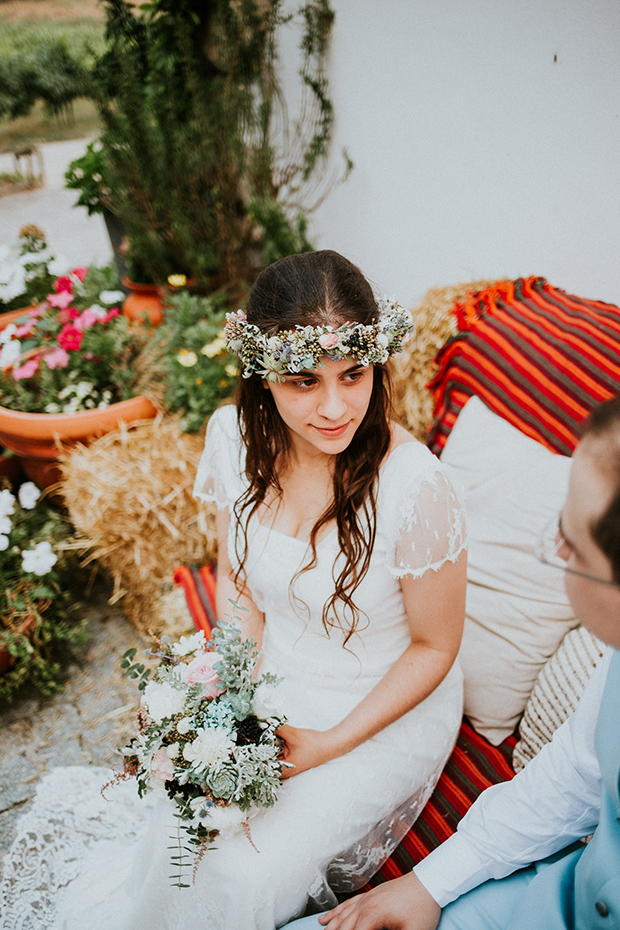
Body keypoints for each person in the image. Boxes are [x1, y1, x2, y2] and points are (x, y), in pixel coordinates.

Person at [0, 250, 467, 930]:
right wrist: (224, 691)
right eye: (304, 380)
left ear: (377, 365)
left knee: (241, 867)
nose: (335, 407)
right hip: (279, 670)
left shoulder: (417, 489)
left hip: (377, 709)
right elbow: (240, 582)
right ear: (262, 374)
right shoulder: (233, 438)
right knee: (179, 813)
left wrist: (327, 744)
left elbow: (435, 647)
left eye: (354, 374)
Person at [285, 393, 620, 930]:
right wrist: (428, 883)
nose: (557, 552)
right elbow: (574, 777)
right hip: (548, 902)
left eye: (573, 544)